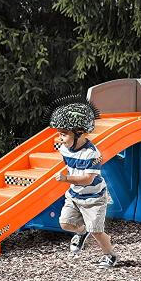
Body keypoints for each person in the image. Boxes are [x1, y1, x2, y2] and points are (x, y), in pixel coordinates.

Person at [50, 99, 119, 269]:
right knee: (64, 223)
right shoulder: (64, 149)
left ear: (79, 133)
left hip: (94, 198)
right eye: (59, 134)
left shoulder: (92, 154)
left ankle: (110, 255)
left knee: (96, 230)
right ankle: (81, 232)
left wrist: (66, 179)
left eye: (64, 134)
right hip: (74, 196)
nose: (60, 138)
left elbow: (88, 179)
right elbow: (68, 161)